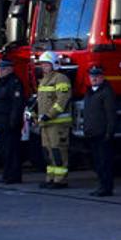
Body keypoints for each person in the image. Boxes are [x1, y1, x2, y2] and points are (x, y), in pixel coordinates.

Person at [34, 51, 74, 189]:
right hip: (46, 123)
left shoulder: (60, 79)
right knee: (48, 151)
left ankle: (60, 180)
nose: (44, 67)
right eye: (42, 64)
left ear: (54, 64)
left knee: (58, 151)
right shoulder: (44, 79)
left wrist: (49, 114)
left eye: (47, 64)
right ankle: (50, 177)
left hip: (58, 124)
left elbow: (62, 100)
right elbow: (41, 101)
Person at [82, 65, 116, 195]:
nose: (94, 78)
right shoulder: (89, 92)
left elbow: (110, 113)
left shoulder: (106, 92)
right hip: (92, 133)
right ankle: (101, 185)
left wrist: (109, 132)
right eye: (92, 76)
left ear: (102, 77)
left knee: (104, 162)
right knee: (96, 162)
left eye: (97, 76)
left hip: (102, 133)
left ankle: (106, 187)